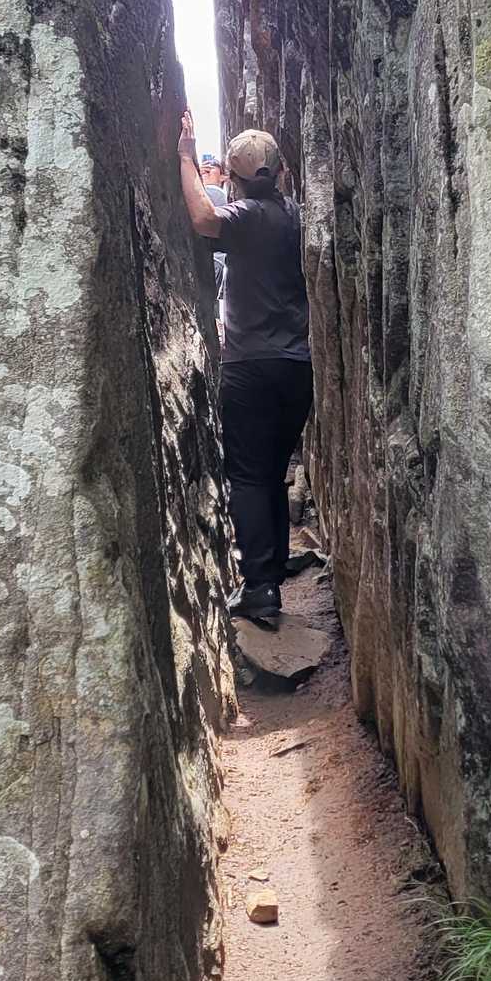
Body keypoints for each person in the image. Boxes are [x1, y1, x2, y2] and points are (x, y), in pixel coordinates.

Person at [177, 111, 312, 630]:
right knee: (272, 472)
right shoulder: (294, 215)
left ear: (234, 178)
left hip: (251, 366)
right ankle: (273, 567)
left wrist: (186, 157)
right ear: (281, 172)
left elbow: (203, 220)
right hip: (295, 367)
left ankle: (260, 588)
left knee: (250, 477)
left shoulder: (249, 216)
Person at [200, 154, 228, 308]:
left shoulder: (216, 193)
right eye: (205, 163)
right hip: (215, 261)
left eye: (213, 165)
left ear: (223, 177)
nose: (207, 166)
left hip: (214, 261)